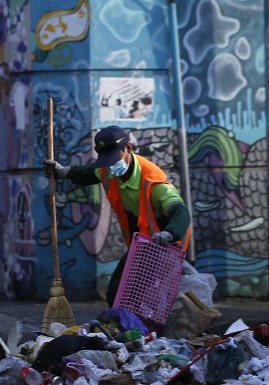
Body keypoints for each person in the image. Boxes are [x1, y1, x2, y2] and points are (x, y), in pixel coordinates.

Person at [44, 125, 191, 305]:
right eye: (107, 161)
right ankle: (131, 321)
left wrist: (169, 234)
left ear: (128, 148)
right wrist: (63, 172)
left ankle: (134, 321)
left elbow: (180, 212)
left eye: (115, 159)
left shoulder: (153, 181)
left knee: (134, 294)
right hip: (143, 244)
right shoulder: (107, 169)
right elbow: (89, 173)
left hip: (166, 244)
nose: (111, 166)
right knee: (121, 293)